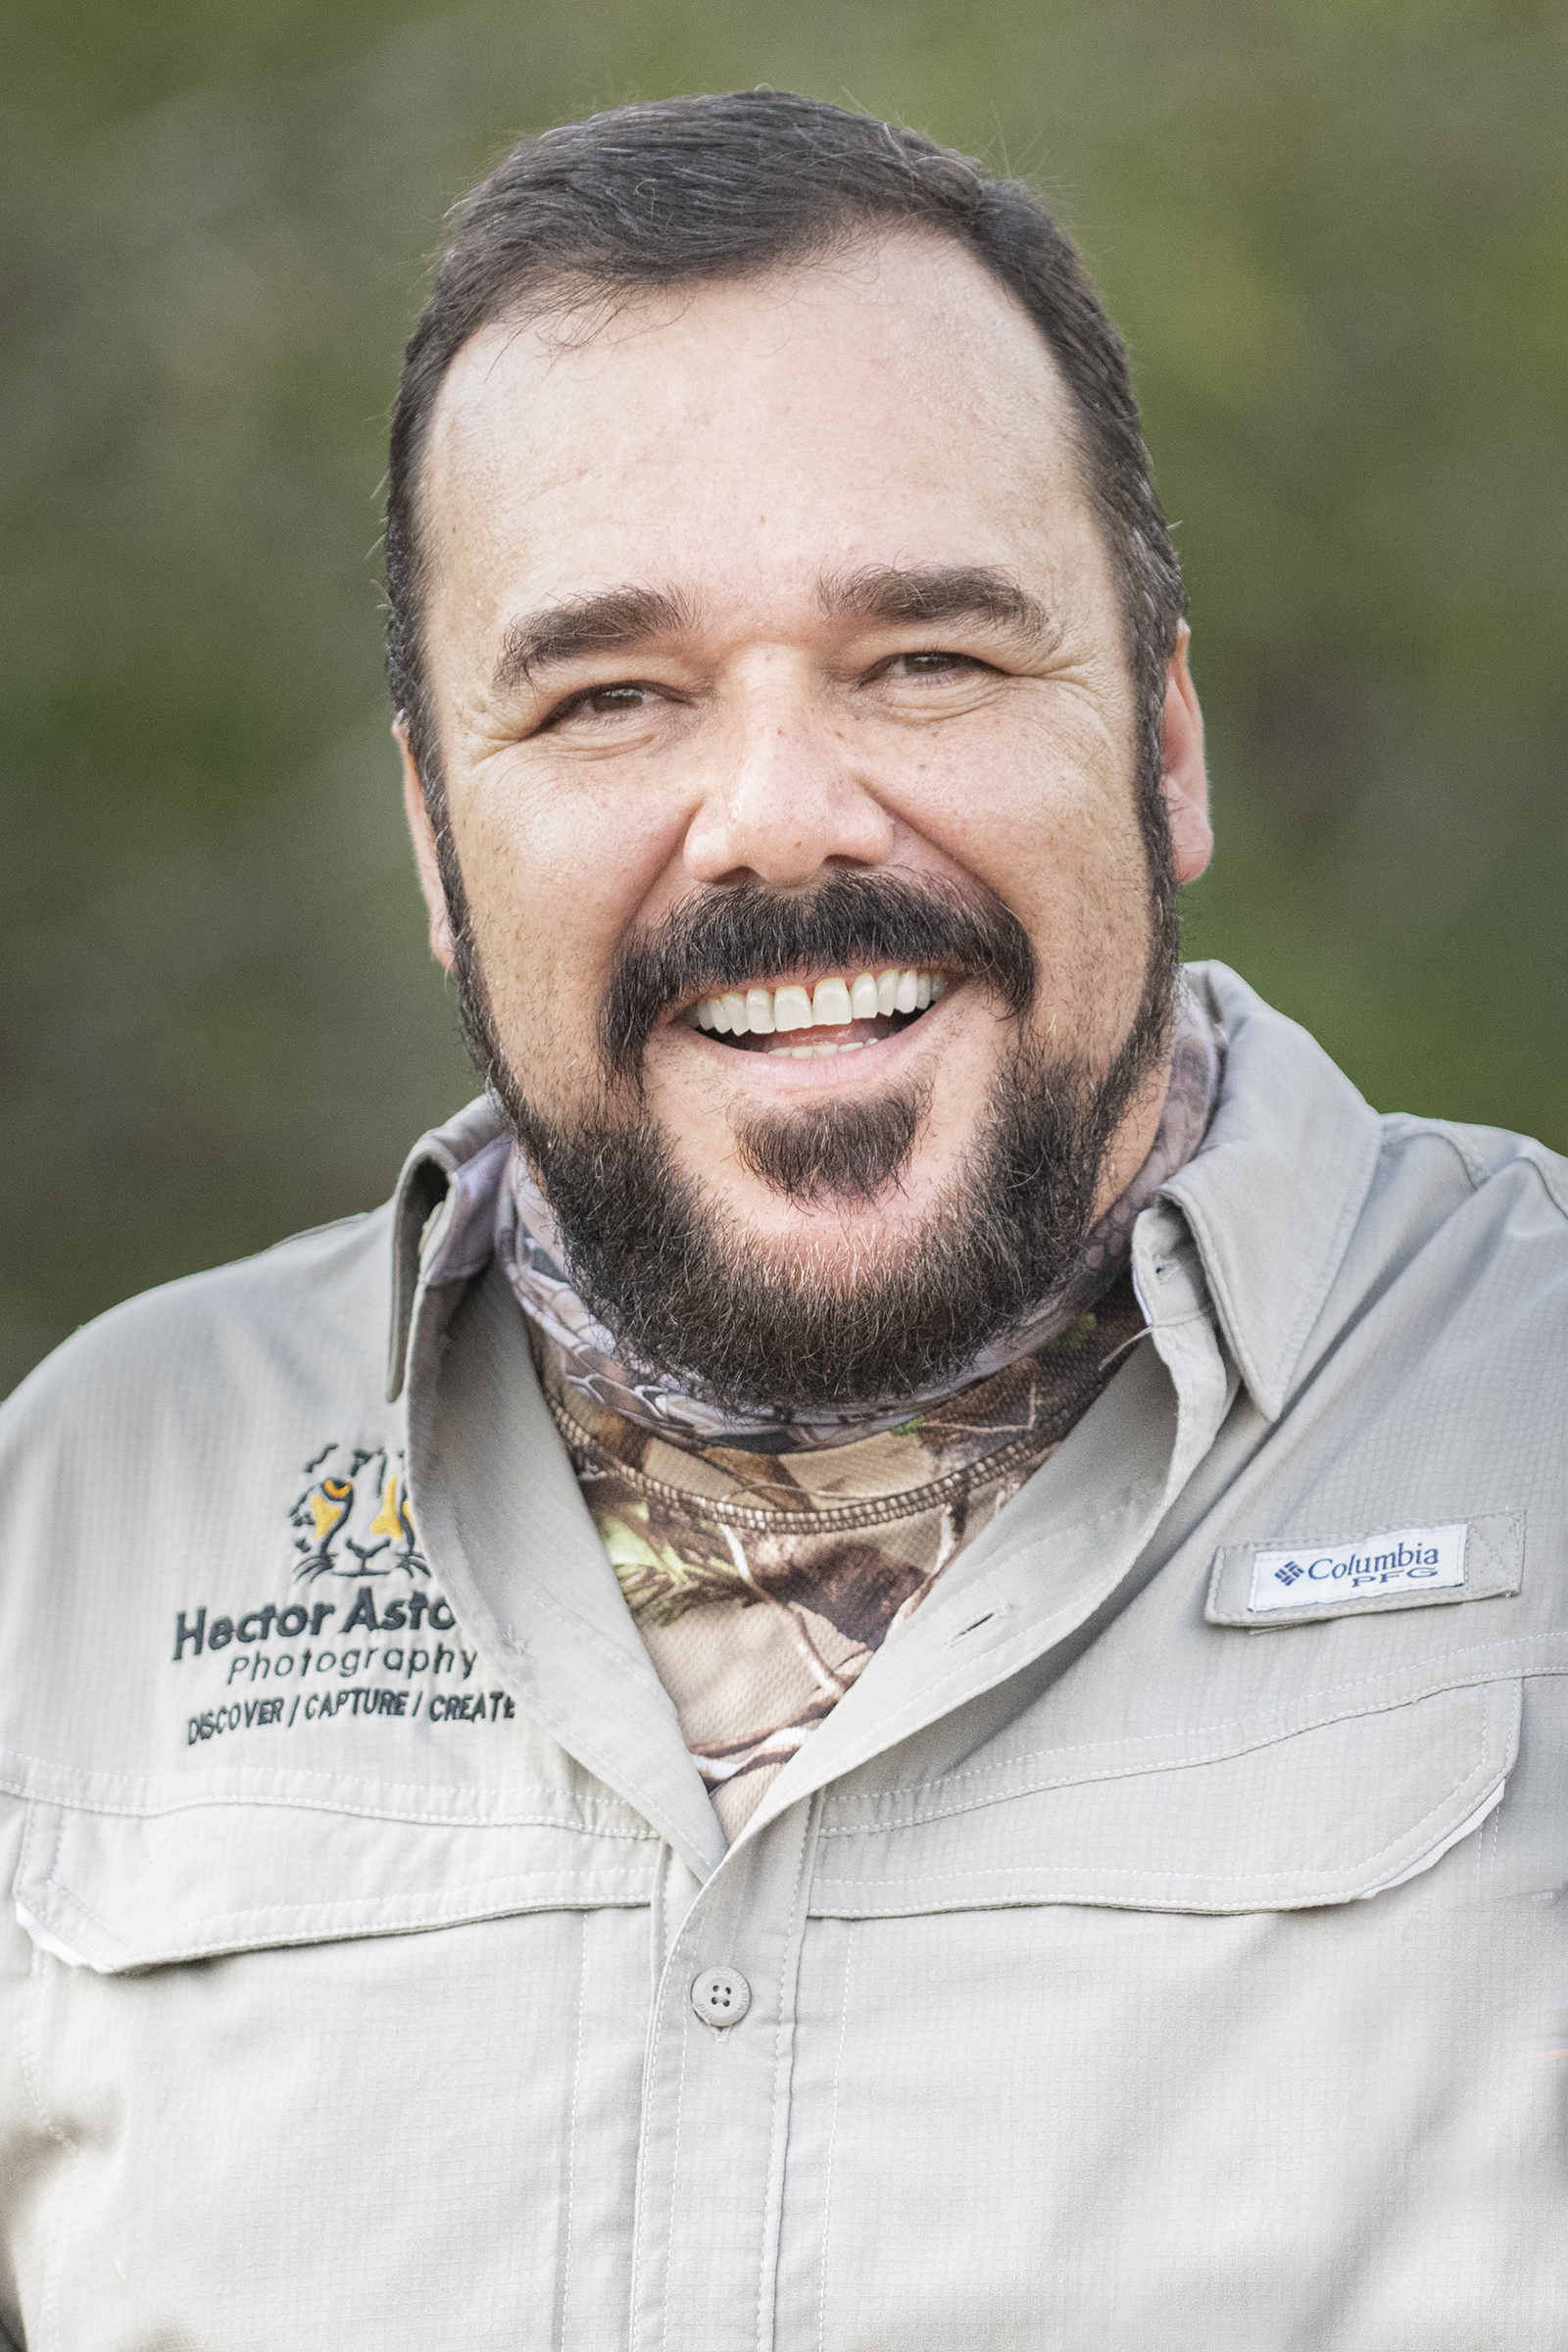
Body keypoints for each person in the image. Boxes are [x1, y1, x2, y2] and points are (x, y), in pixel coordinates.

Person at [0, 88, 1562, 2350]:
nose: (776, 815)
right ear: (439, 842)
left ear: (1163, 741)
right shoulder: (75, 1516)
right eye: (608, 696)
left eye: (924, 658)